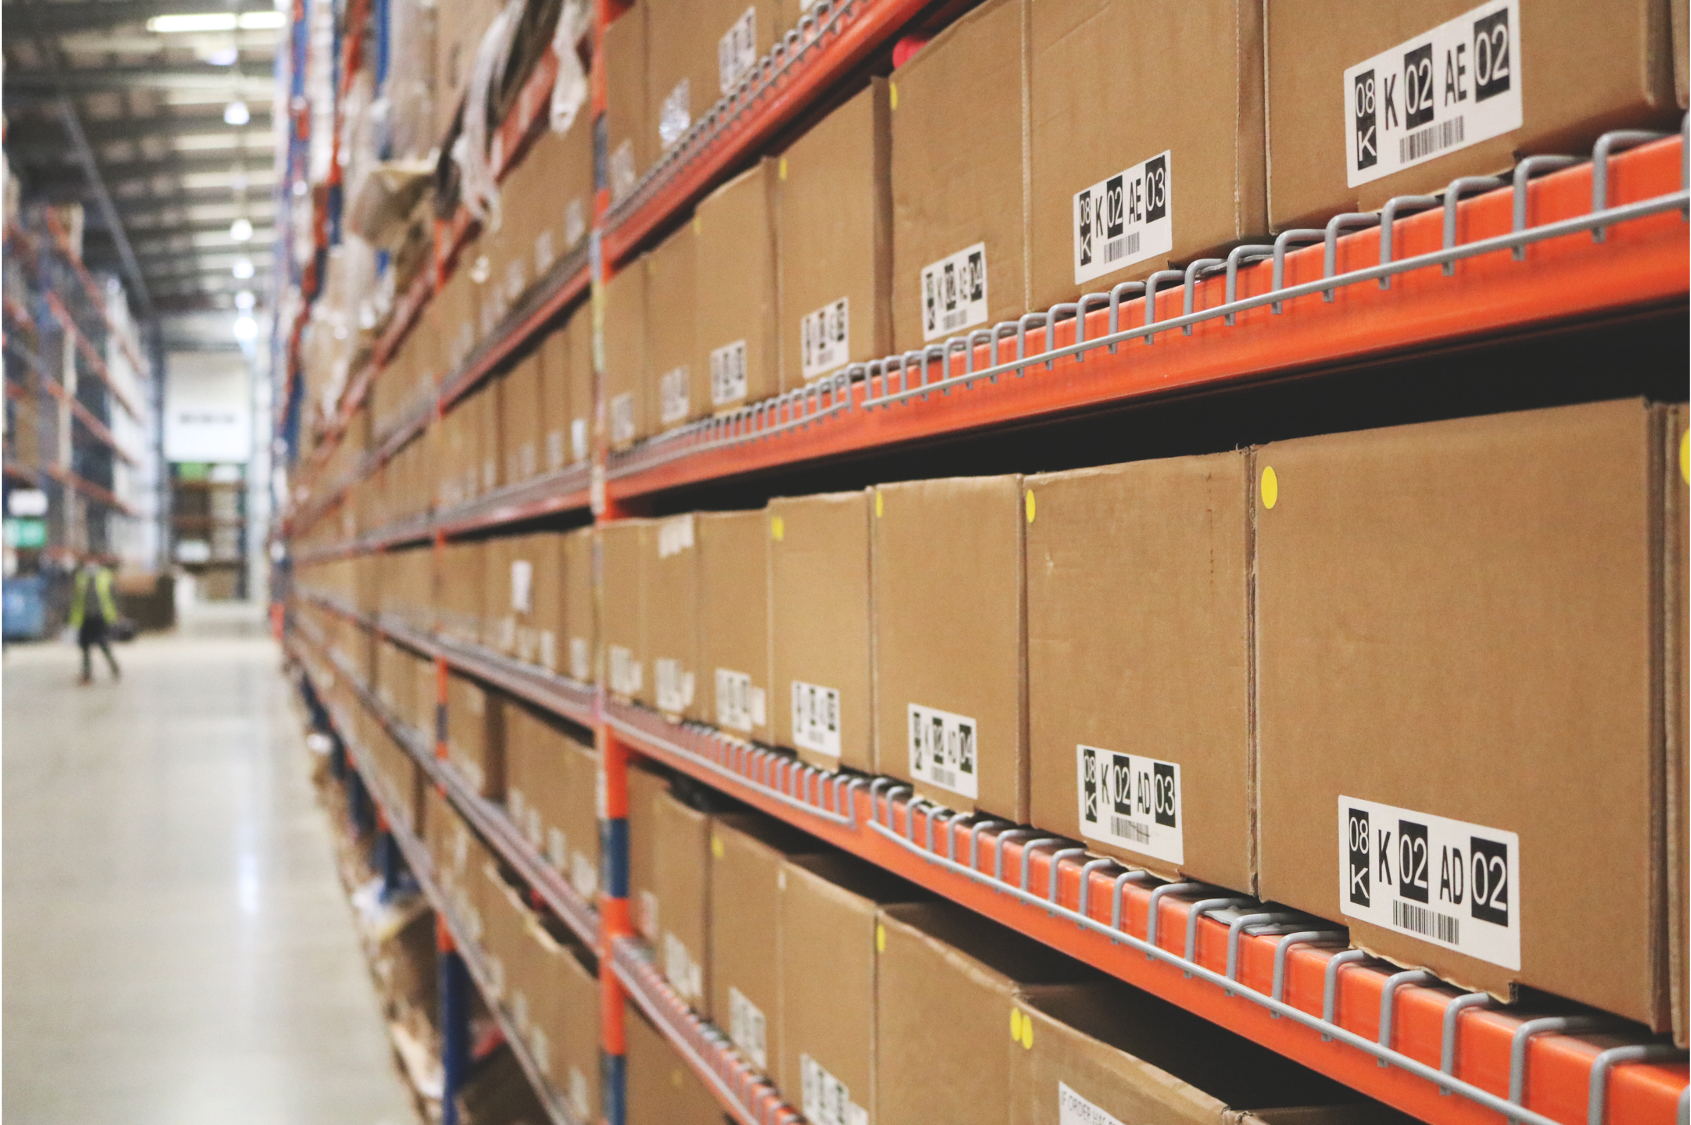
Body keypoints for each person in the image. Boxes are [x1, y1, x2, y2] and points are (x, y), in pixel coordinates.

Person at [70, 561, 120, 684]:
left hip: (100, 616)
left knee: (102, 643)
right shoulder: (81, 577)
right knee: (85, 646)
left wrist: (117, 612)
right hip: (85, 617)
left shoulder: (105, 576)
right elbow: (75, 598)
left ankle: (113, 666)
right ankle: (87, 674)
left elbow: (114, 595)